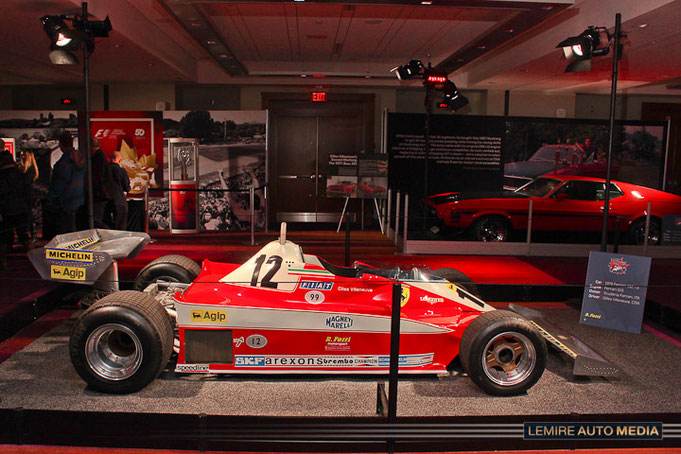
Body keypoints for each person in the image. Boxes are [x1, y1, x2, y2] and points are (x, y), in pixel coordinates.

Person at [0, 146, 31, 269]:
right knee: (24, 236)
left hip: (6, 210)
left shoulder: (2, 176)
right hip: (21, 209)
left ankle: (3, 262)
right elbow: (27, 193)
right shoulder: (21, 174)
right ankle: (34, 261)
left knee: (3, 237)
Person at [48, 131, 85, 234]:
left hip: (66, 203)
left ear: (61, 145)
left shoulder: (63, 163)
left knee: (66, 234)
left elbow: (58, 186)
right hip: (81, 201)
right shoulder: (82, 159)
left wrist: (51, 199)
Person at [89, 138, 115, 228]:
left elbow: (97, 178)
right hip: (103, 194)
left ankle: (112, 236)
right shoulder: (100, 157)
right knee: (102, 219)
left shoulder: (98, 159)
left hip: (100, 195)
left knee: (96, 221)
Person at [18, 150, 39, 241]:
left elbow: (26, 182)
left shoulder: (30, 170)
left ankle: (33, 236)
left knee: (30, 215)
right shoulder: (23, 168)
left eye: (23, 156)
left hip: (28, 194)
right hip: (24, 194)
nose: (22, 157)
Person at [109, 151, 130, 230]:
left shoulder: (104, 170)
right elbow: (127, 187)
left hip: (106, 201)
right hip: (119, 201)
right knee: (120, 226)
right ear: (119, 160)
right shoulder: (122, 171)